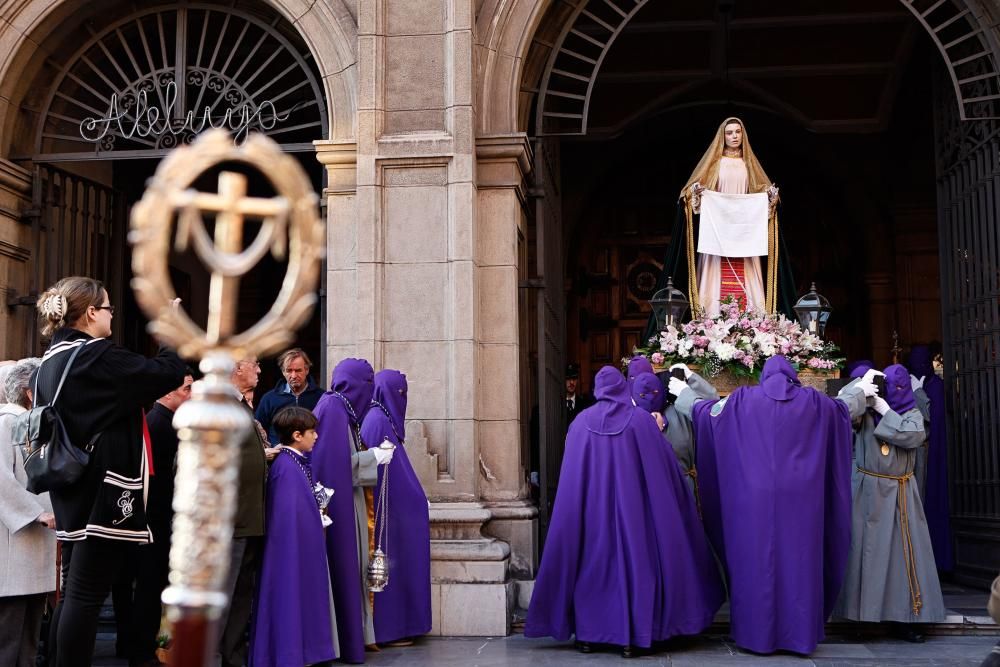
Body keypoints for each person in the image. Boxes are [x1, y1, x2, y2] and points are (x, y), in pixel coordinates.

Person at [31, 277, 186, 667]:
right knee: (85, 593)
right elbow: (165, 373)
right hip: (105, 486)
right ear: (91, 313)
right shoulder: (94, 354)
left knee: (74, 591)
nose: (113, 315)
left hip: (71, 482)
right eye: (109, 308)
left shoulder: (51, 359)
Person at [671, 355, 870, 655]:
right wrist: (862, 391)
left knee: (755, 563)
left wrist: (683, 391)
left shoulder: (740, 401)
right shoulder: (813, 403)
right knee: (799, 563)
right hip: (803, 503)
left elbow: (706, 413)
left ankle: (756, 635)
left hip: (752, 502)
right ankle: (798, 636)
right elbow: (842, 410)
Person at [526, 366, 725, 658]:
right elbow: (664, 471)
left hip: (591, 516)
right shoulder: (641, 422)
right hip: (636, 517)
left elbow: (571, 478)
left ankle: (590, 635)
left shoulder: (581, 423)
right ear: (622, 388)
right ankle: (634, 635)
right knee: (636, 568)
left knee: (591, 567)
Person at [834, 364, 945, 641]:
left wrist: (886, 410)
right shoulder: (862, 413)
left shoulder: (912, 413)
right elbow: (839, 411)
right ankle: (861, 617)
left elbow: (913, 436)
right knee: (865, 554)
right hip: (867, 493)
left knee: (904, 558)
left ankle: (905, 619)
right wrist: (859, 387)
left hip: (901, 494)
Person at [312, 358, 394, 664]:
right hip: (343, 507)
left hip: (350, 501)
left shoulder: (341, 408)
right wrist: (373, 457)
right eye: (367, 383)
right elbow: (337, 467)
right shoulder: (334, 409)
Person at [250, 406, 338, 667]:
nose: (317, 437)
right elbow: (288, 518)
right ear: (297, 435)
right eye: (312, 432)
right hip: (290, 552)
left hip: (299, 548)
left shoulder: (294, 463)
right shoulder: (287, 468)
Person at [122, 370, 193, 667]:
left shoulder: (166, 422)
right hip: (156, 520)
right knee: (150, 589)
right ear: (166, 392)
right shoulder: (159, 423)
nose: (191, 395)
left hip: (161, 518)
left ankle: (145, 647)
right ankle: (142, 651)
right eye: (186, 389)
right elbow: (158, 479)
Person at [680, 117, 781, 317]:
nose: (734, 136)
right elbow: (692, 197)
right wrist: (699, 193)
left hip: (745, 229)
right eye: (729, 133)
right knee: (715, 271)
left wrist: (770, 198)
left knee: (748, 271)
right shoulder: (715, 165)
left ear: (743, 135)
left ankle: (753, 318)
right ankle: (711, 317)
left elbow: (764, 197)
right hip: (718, 228)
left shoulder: (749, 165)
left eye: (737, 132)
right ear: (722, 137)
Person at [360, 369, 432, 646]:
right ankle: (389, 630)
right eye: (399, 393)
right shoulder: (378, 420)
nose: (402, 399)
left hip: (394, 514)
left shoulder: (383, 418)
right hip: (385, 516)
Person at [0, 357, 55, 667]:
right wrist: (36, 513)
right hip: (14, 548)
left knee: (30, 639)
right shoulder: (6, 421)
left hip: (35, 546)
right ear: (30, 392)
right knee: (9, 640)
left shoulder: (34, 423)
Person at [217, 356, 269, 667]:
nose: (259, 370)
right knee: (225, 595)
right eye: (254, 364)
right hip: (230, 519)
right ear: (237, 367)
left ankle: (233, 657)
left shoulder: (240, 406)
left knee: (240, 594)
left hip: (248, 518)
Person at [908, 344, 953, 572]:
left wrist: (918, 392)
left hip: (930, 451)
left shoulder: (935, 386)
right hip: (917, 452)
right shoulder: (921, 384)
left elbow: (931, 418)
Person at [255, 348, 325, 444]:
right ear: (283, 372)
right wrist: (269, 449)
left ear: (307, 370)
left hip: (312, 455)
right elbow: (258, 431)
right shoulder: (269, 399)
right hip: (279, 456)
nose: (293, 375)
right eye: (289, 371)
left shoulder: (321, 397)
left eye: (298, 370)